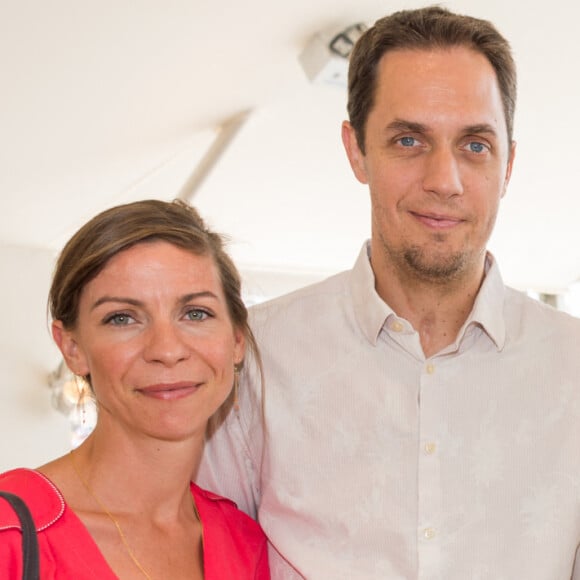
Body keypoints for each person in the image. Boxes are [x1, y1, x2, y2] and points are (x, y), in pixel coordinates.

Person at [197, 5, 580, 579]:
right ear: (357, 151)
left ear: (508, 164)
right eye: (409, 140)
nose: (444, 181)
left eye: (475, 145)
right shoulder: (254, 357)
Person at [0, 199, 270, 579]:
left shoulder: (247, 543)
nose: (167, 350)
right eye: (122, 318)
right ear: (72, 349)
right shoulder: (10, 532)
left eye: (196, 313)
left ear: (237, 338)